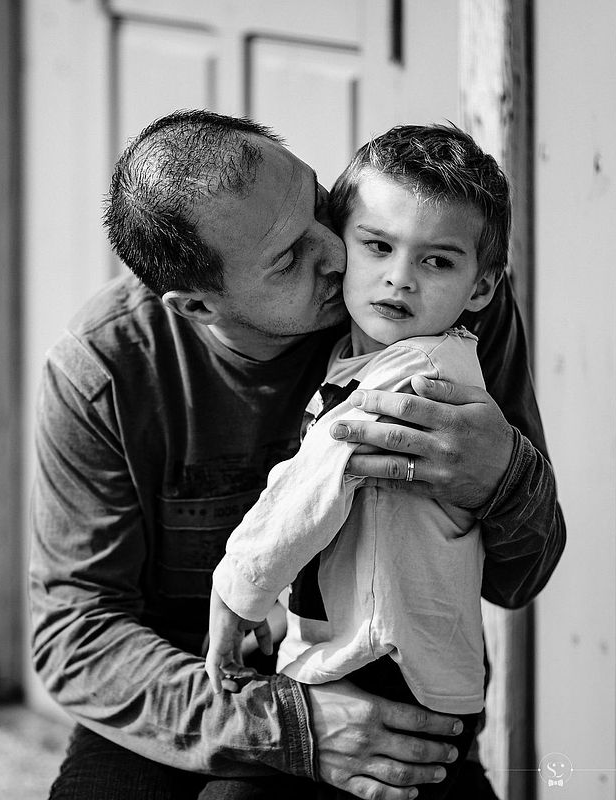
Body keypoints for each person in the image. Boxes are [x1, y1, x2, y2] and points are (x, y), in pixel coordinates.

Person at [29, 109, 564, 800]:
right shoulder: (103, 370)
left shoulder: (436, 300)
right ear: (197, 307)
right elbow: (78, 637)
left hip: (393, 686)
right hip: (188, 683)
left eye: (318, 202)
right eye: (287, 259)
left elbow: (520, 580)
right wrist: (286, 726)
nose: (338, 252)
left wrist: (503, 478)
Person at [205, 124, 517, 800]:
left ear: (482, 286)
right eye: (377, 246)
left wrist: (237, 592)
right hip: (361, 645)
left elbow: (316, 479)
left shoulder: (422, 375)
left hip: (387, 667)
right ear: (339, 243)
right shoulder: (359, 358)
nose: (400, 277)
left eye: (438, 262)